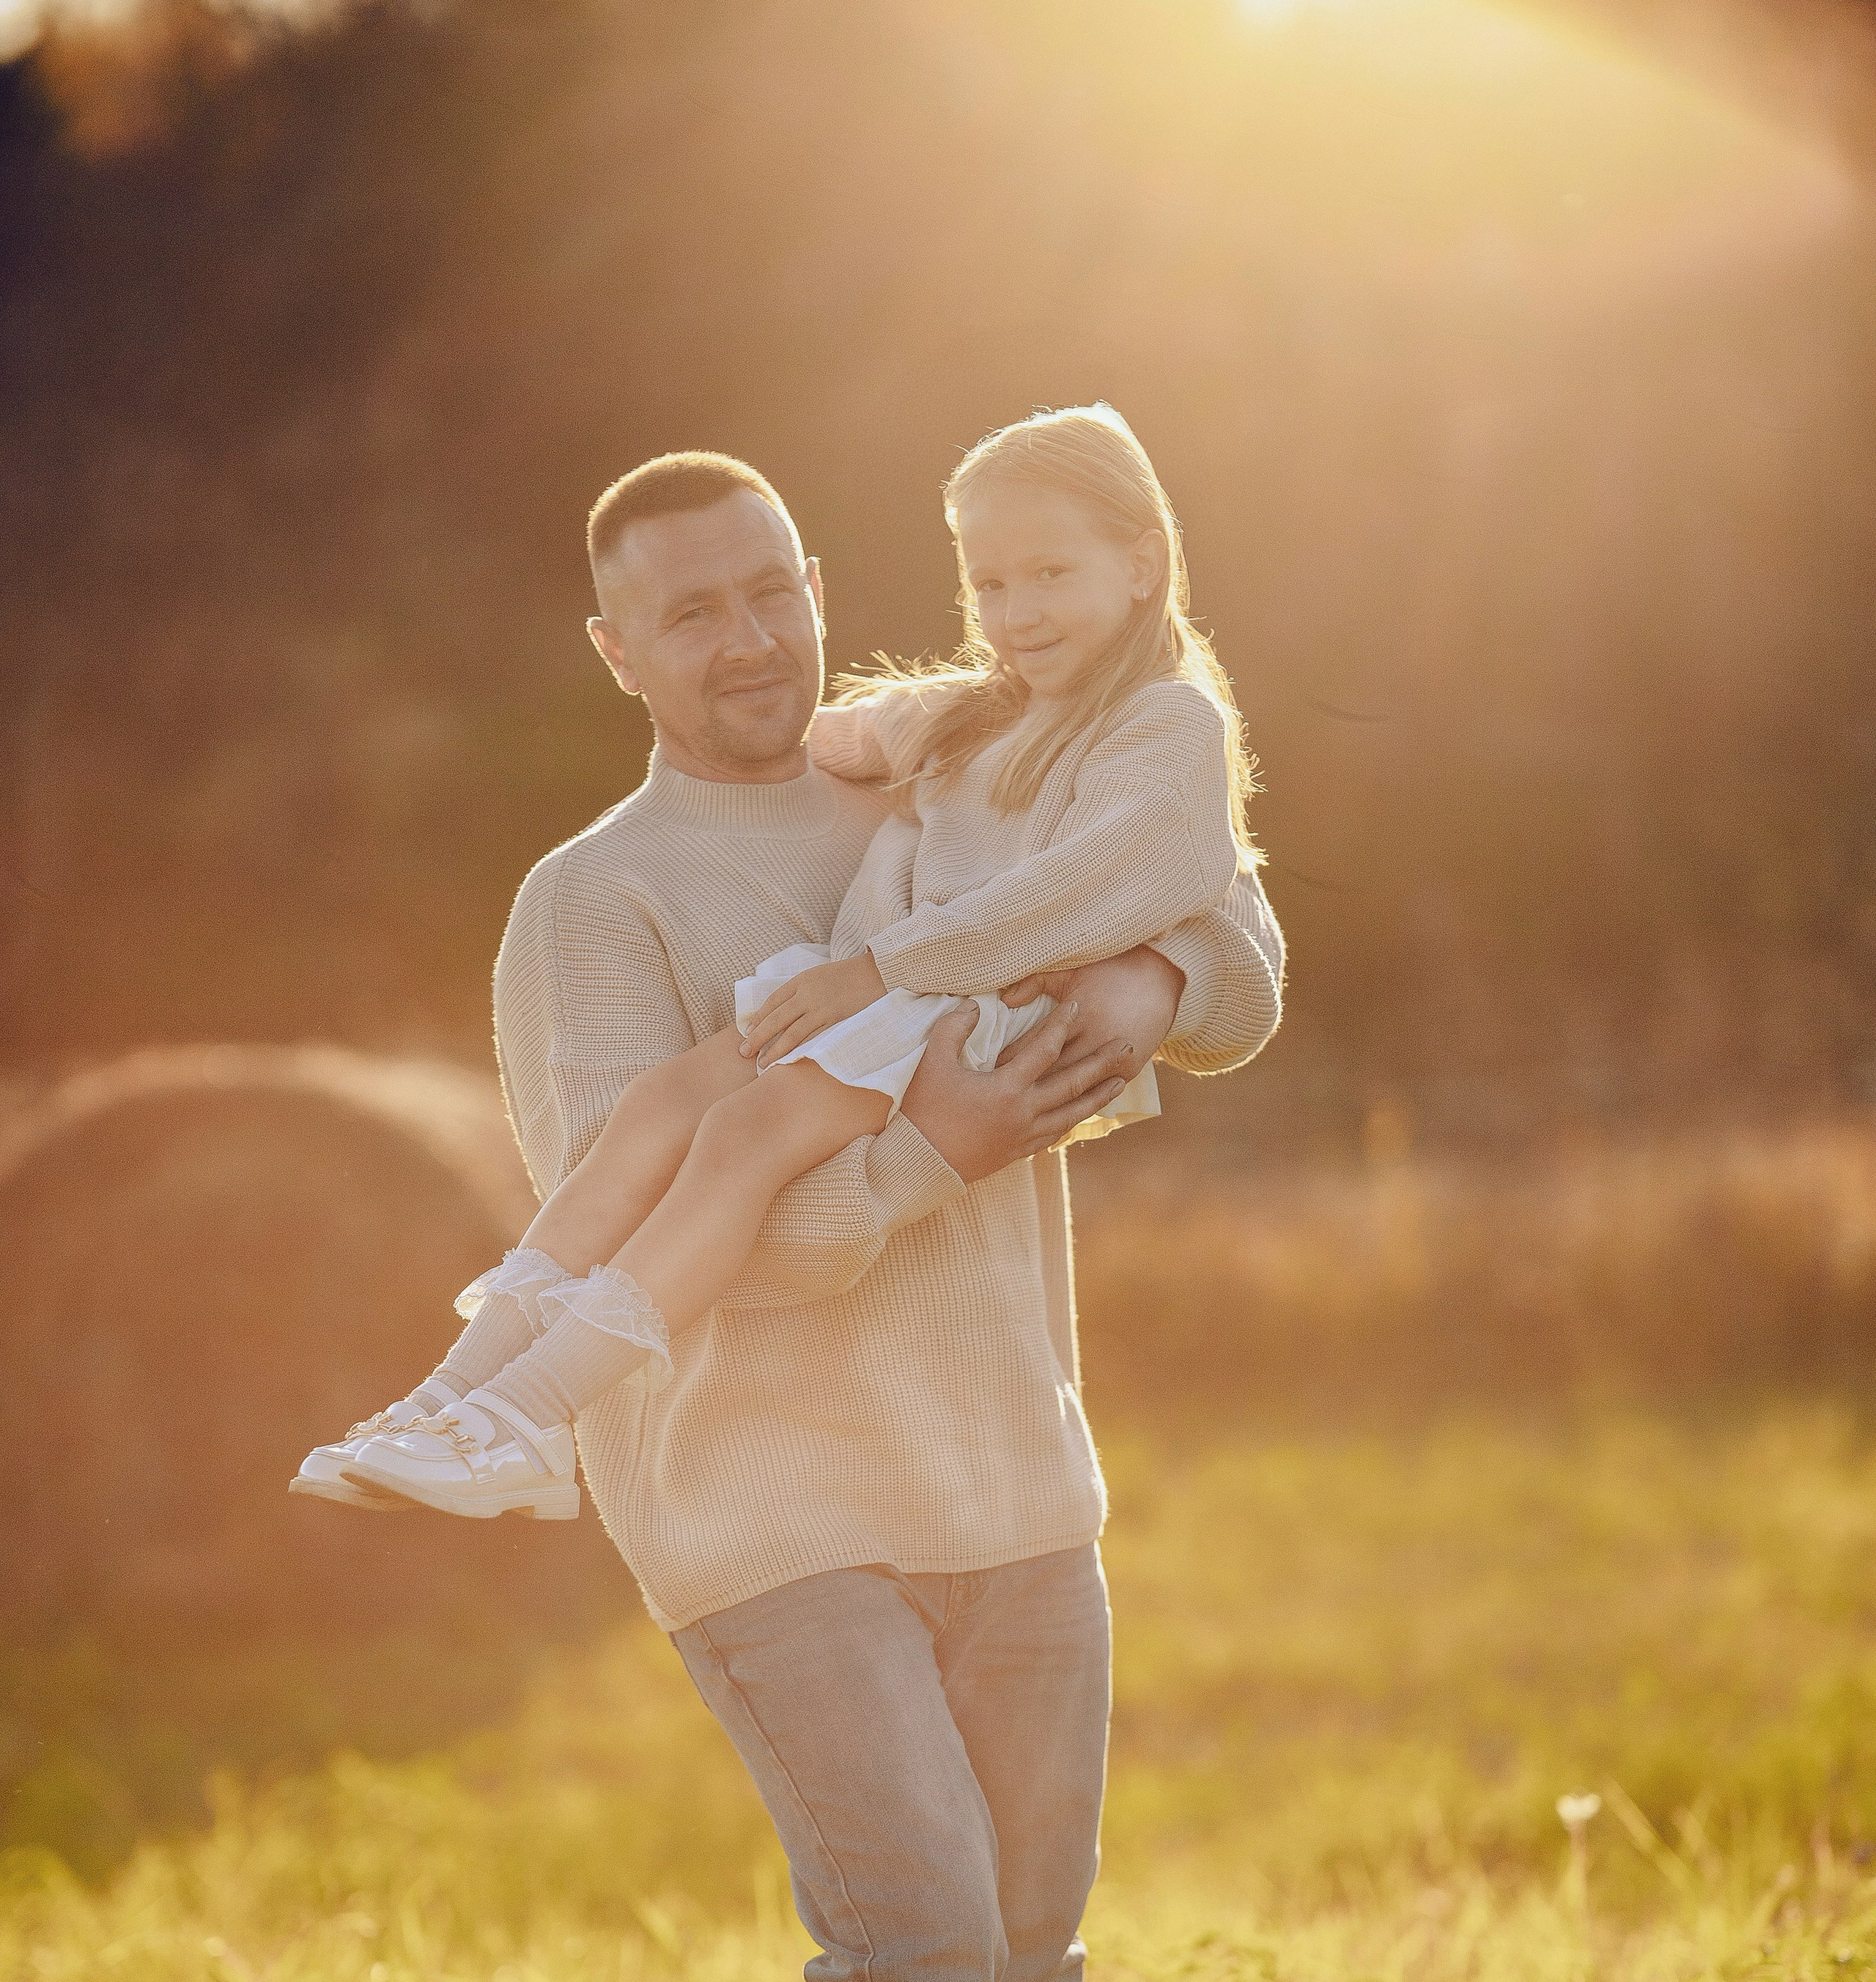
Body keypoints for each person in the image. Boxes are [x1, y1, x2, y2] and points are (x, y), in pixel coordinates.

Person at [298, 429, 1282, 1982]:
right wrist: (951, 1147)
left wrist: (1149, 979)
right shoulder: (594, 905)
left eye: (771, 586)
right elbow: (685, 1240)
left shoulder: (953, 773)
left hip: (1011, 1461)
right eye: (690, 610)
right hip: (760, 1501)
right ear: (615, 649)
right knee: (916, 1930)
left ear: (819, 580)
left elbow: (1246, 943)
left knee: (1028, 1955)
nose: (748, 637)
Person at [298, 407, 1263, 1528]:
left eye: (1050, 573)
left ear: (1145, 564)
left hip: (965, 1011)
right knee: (665, 1106)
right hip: (903, 996)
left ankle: (534, 1416)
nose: (1016, 614)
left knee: (739, 1139)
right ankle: (454, 1394)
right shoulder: (985, 715)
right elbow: (837, 736)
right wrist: (787, 708)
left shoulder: (1165, 726)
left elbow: (1116, 888)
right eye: (990, 585)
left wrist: (894, 970)